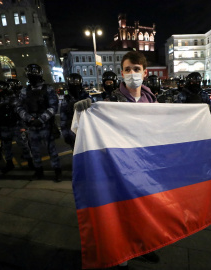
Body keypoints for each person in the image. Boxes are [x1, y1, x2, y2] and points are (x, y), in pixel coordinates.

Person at [74, 51, 159, 269]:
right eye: (128, 69)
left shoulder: (152, 99)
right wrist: (84, 110)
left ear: (145, 73)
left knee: (145, 209)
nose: (132, 73)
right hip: (121, 168)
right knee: (123, 212)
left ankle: (143, 246)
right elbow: (86, 126)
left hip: (146, 167)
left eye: (136, 69)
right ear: (122, 73)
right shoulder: (111, 101)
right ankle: (123, 255)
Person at [16, 64, 62, 181]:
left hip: (45, 125)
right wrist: (29, 119)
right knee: (35, 151)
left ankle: (57, 171)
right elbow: (19, 107)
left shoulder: (48, 89)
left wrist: (41, 119)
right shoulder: (24, 91)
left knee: (51, 150)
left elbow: (53, 106)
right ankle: (39, 172)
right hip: (32, 126)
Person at [0, 80, 34, 173]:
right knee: (6, 147)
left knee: (23, 145)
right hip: (4, 126)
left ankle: (30, 162)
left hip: (15, 125)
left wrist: (23, 126)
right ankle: (9, 163)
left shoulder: (12, 98)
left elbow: (19, 111)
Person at [60, 73, 91, 149]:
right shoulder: (66, 99)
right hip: (72, 132)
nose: (75, 87)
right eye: (73, 85)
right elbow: (63, 118)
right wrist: (65, 134)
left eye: (76, 85)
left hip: (86, 131)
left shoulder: (86, 96)